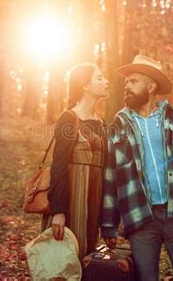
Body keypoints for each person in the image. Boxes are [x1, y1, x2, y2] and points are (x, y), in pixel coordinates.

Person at [100, 55, 173, 280]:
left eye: (133, 81)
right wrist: (108, 224)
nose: (127, 87)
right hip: (140, 217)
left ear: (151, 85)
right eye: (126, 83)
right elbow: (111, 178)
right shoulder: (118, 127)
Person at [43, 63, 109, 259]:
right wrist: (59, 211)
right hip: (71, 203)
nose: (106, 82)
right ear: (85, 85)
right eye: (99, 78)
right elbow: (59, 166)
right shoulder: (69, 118)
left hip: (93, 205)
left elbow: (105, 172)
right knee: (66, 263)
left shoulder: (101, 124)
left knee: (88, 262)